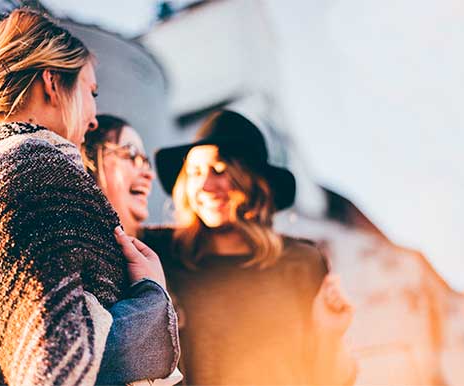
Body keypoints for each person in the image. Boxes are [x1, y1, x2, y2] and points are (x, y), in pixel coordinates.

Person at [0, 9, 179, 386]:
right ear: (52, 83)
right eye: (91, 92)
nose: (95, 117)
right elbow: (59, 362)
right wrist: (152, 299)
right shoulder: (40, 170)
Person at [140, 109, 357, 385]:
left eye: (219, 171)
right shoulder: (161, 253)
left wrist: (331, 333)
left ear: (251, 182)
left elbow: (329, 378)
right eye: (195, 172)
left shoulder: (302, 261)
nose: (206, 186)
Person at [81, 114, 154, 238]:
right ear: (89, 160)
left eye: (146, 161)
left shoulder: (174, 251)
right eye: (131, 153)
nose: (149, 174)